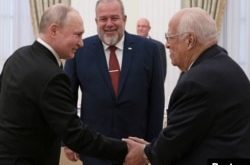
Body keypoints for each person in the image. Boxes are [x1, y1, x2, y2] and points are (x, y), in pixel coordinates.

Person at [0, 4, 128, 165]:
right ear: (54, 31)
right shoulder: (51, 76)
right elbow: (74, 134)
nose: (82, 43)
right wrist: (125, 150)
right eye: (77, 35)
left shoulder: (18, 57)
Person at [124, 7, 250, 165]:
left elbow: (175, 141)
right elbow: (189, 133)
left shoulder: (198, 81)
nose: (167, 45)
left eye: (170, 37)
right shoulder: (221, 64)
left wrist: (145, 153)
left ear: (189, 40)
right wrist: (151, 148)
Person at [63, 0, 165, 164]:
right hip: (93, 150)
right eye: (103, 19)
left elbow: (156, 102)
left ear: (124, 19)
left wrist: (151, 148)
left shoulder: (149, 50)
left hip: (135, 150)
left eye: (114, 18)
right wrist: (68, 140)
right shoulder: (80, 50)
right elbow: (67, 100)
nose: (109, 24)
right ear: (96, 21)